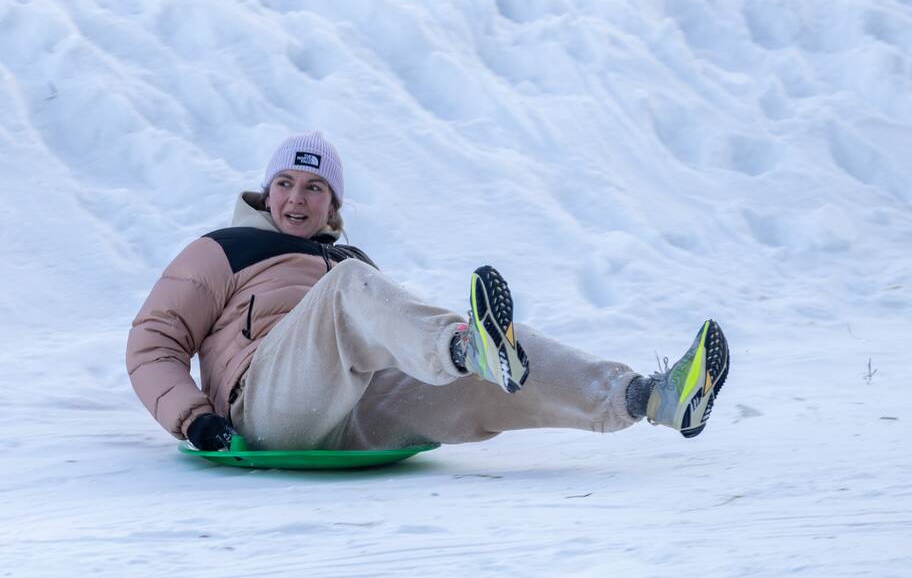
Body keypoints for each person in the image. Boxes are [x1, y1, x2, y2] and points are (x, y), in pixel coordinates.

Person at [126, 131, 730, 452]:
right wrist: (195, 421)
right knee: (357, 290)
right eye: (284, 182)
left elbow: (383, 333)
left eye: (314, 188)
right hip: (265, 406)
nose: (295, 198)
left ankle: (649, 399)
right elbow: (153, 343)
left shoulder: (346, 258)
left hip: (349, 415)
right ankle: (466, 347)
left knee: (498, 368)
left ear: (333, 205)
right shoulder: (226, 247)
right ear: (265, 191)